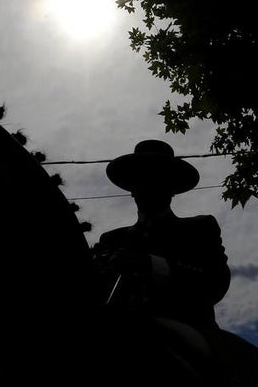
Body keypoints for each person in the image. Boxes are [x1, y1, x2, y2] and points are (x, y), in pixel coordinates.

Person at [93, 139, 230, 330]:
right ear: (131, 189)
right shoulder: (111, 240)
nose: (148, 186)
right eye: (141, 179)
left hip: (190, 330)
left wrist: (150, 263)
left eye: (158, 179)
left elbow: (215, 283)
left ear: (171, 189)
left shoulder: (200, 228)